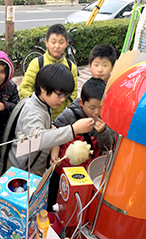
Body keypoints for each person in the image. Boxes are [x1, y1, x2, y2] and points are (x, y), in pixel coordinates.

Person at [7, 64, 95, 176]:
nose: (63, 99)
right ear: (43, 88)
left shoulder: (43, 104)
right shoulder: (33, 111)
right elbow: (38, 139)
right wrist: (73, 130)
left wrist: (53, 153)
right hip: (21, 170)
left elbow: (46, 130)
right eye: (59, 94)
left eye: (66, 95)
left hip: (33, 166)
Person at [47, 78, 114, 211]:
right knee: (54, 199)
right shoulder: (69, 115)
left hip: (85, 174)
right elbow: (56, 132)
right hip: (62, 171)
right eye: (92, 107)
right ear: (81, 103)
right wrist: (54, 155)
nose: (97, 112)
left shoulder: (104, 120)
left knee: (75, 203)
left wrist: (103, 132)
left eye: (101, 107)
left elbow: (105, 147)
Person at [19, 24, 78, 120]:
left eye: (61, 42)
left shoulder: (71, 66)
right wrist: (36, 107)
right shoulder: (37, 63)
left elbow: (72, 94)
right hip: (39, 117)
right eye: (53, 42)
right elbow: (24, 89)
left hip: (60, 119)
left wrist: (67, 117)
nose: (57, 46)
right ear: (46, 42)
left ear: (67, 43)